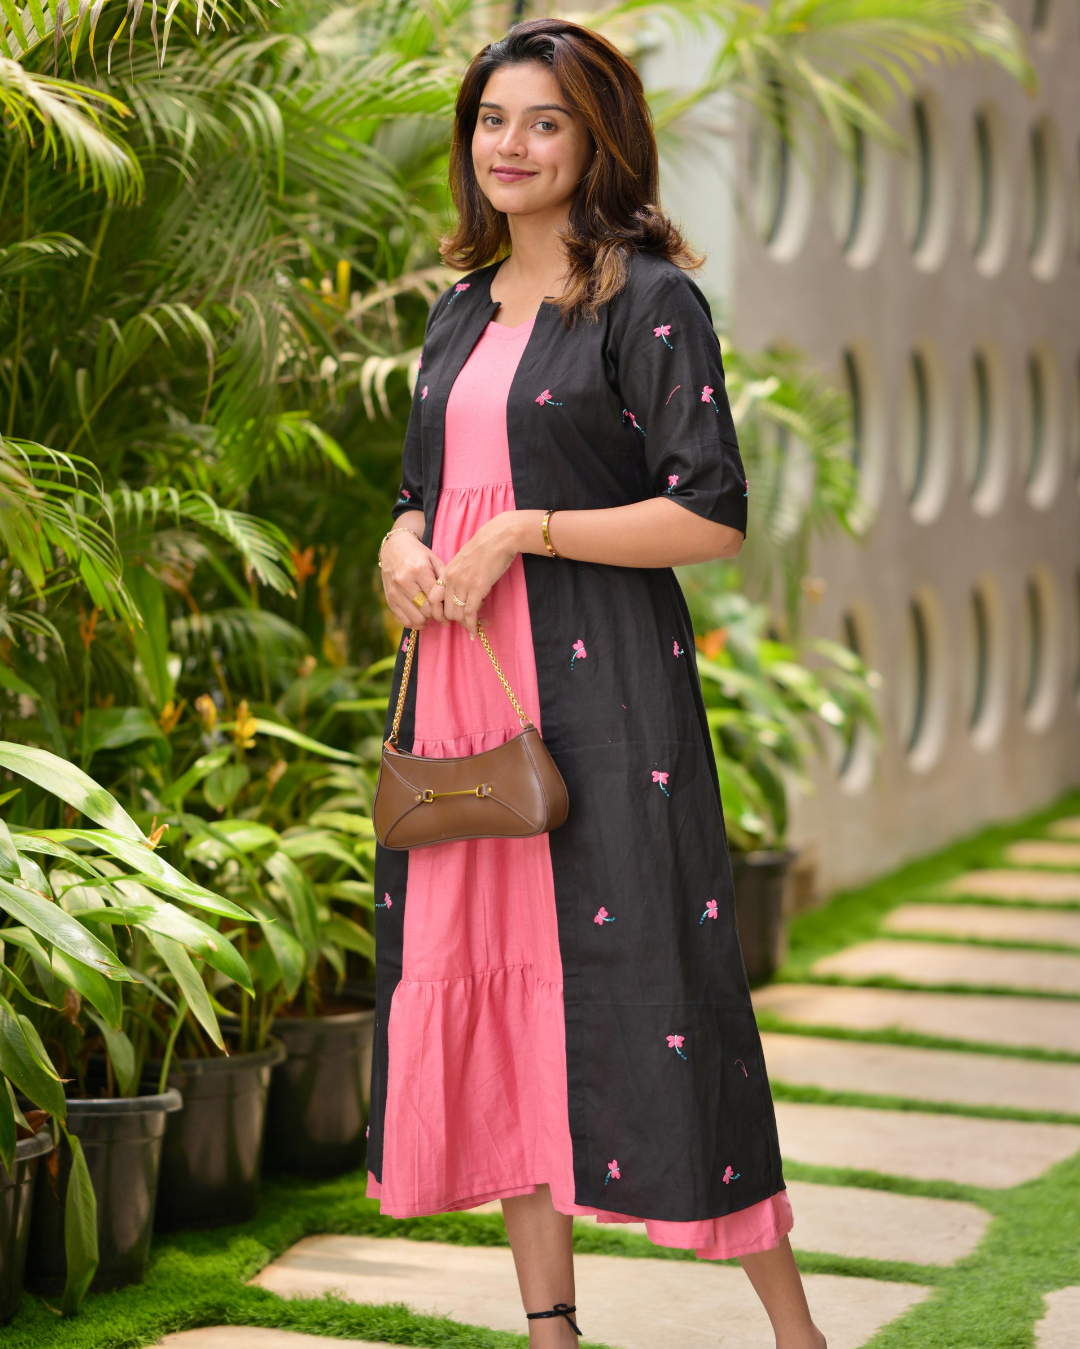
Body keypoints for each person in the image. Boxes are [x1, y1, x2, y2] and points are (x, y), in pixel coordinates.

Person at [372, 18, 825, 1349]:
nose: (510, 145)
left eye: (544, 122)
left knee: (661, 989)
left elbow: (713, 514)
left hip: (606, 693)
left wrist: (527, 532)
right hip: (463, 686)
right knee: (497, 988)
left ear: (596, 138)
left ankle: (796, 1334)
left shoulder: (646, 301)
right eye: (492, 120)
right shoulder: (459, 308)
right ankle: (550, 1330)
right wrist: (405, 546)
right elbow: (416, 496)